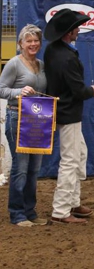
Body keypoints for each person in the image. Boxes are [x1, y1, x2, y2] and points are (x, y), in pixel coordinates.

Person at [43, 9, 94, 225]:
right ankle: (61, 210)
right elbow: (78, 91)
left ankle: (73, 202)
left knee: (80, 154)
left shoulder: (53, 50)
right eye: (76, 27)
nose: (78, 30)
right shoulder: (67, 58)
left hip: (62, 111)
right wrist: (92, 91)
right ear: (68, 32)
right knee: (70, 160)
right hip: (68, 114)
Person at [0, 24, 48, 227]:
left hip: (37, 120)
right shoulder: (13, 64)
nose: (33, 44)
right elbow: (1, 89)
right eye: (29, 41)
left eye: (36, 40)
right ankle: (17, 213)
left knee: (34, 169)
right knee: (20, 168)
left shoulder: (42, 65)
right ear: (20, 44)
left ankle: (31, 211)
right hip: (17, 117)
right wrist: (19, 93)